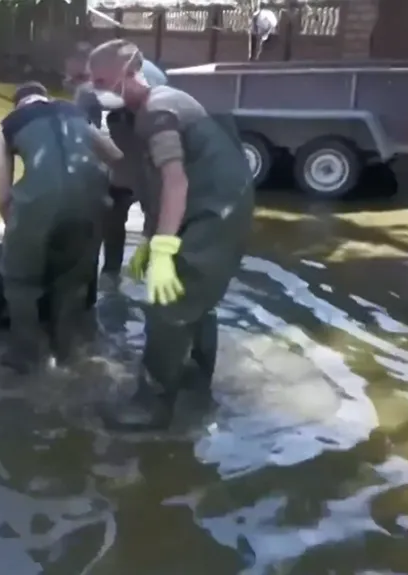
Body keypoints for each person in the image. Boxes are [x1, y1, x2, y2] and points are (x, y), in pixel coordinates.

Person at [85, 40, 254, 428]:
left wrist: (162, 250)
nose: (98, 89)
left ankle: (151, 406)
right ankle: (196, 383)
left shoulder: (157, 109)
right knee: (194, 302)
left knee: (168, 308)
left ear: (130, 70)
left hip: (214, 214)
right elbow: (156, 191)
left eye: (102, 80)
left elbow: (175, 182)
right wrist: (149, 239)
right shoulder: (146, 113)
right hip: (216, 209)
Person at [0, 81, 124, 373]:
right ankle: (66, 353)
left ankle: (26, 357)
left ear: (18, 104)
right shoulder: (76, 114)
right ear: (46, 97)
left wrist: (15, 232)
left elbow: (3, 194)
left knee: (19, 282)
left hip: (36, 207)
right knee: (72, 282)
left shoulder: (7, 126)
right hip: (90, 203)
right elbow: (116, 156)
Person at [64, 42, 169, 284]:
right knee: (111, 220)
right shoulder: (87, 93)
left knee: (156, 220)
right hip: (119, 163)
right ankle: (111, 274)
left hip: (150, 161)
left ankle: (155, 270)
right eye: (71, 79)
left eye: (81, 76)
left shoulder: (152, 84)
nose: (78, 83)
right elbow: (83, 137)